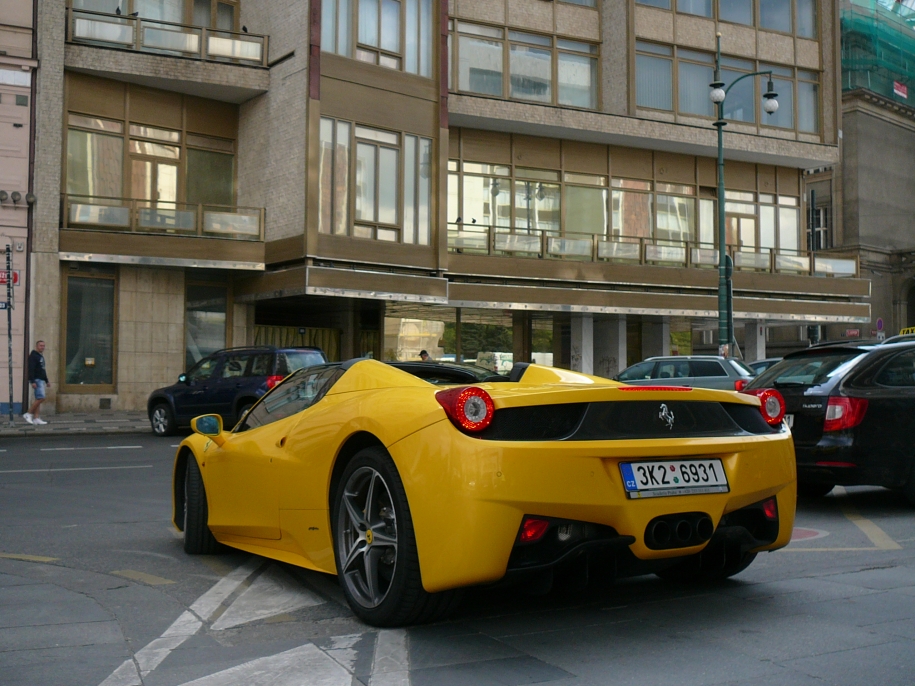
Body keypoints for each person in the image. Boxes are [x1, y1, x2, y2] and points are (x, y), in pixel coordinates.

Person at [24, 340, 49, 425]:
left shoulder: (40, 356)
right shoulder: (33, 356)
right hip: (37, 379)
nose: (42, 347)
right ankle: (28, 413)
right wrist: (32, 381)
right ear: (36, 346)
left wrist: (46, 380)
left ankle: (36, 418)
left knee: (38, 398)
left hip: (41, 379)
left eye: (43, 346)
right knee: (41, 398)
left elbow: (42, 369)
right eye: (41, 346)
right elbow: (31, 369)